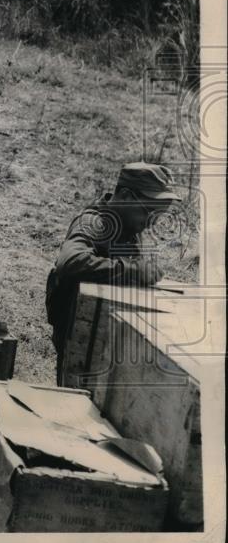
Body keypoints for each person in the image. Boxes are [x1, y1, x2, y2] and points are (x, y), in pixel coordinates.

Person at [45, 162, 181, 385]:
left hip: (109, 331)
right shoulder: (94, 223)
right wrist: (133, 271)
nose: (151, 223)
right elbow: (70, 262)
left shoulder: (128, 226)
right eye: (148, 212)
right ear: (126, 196)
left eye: (158, 216)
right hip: (79, 333)